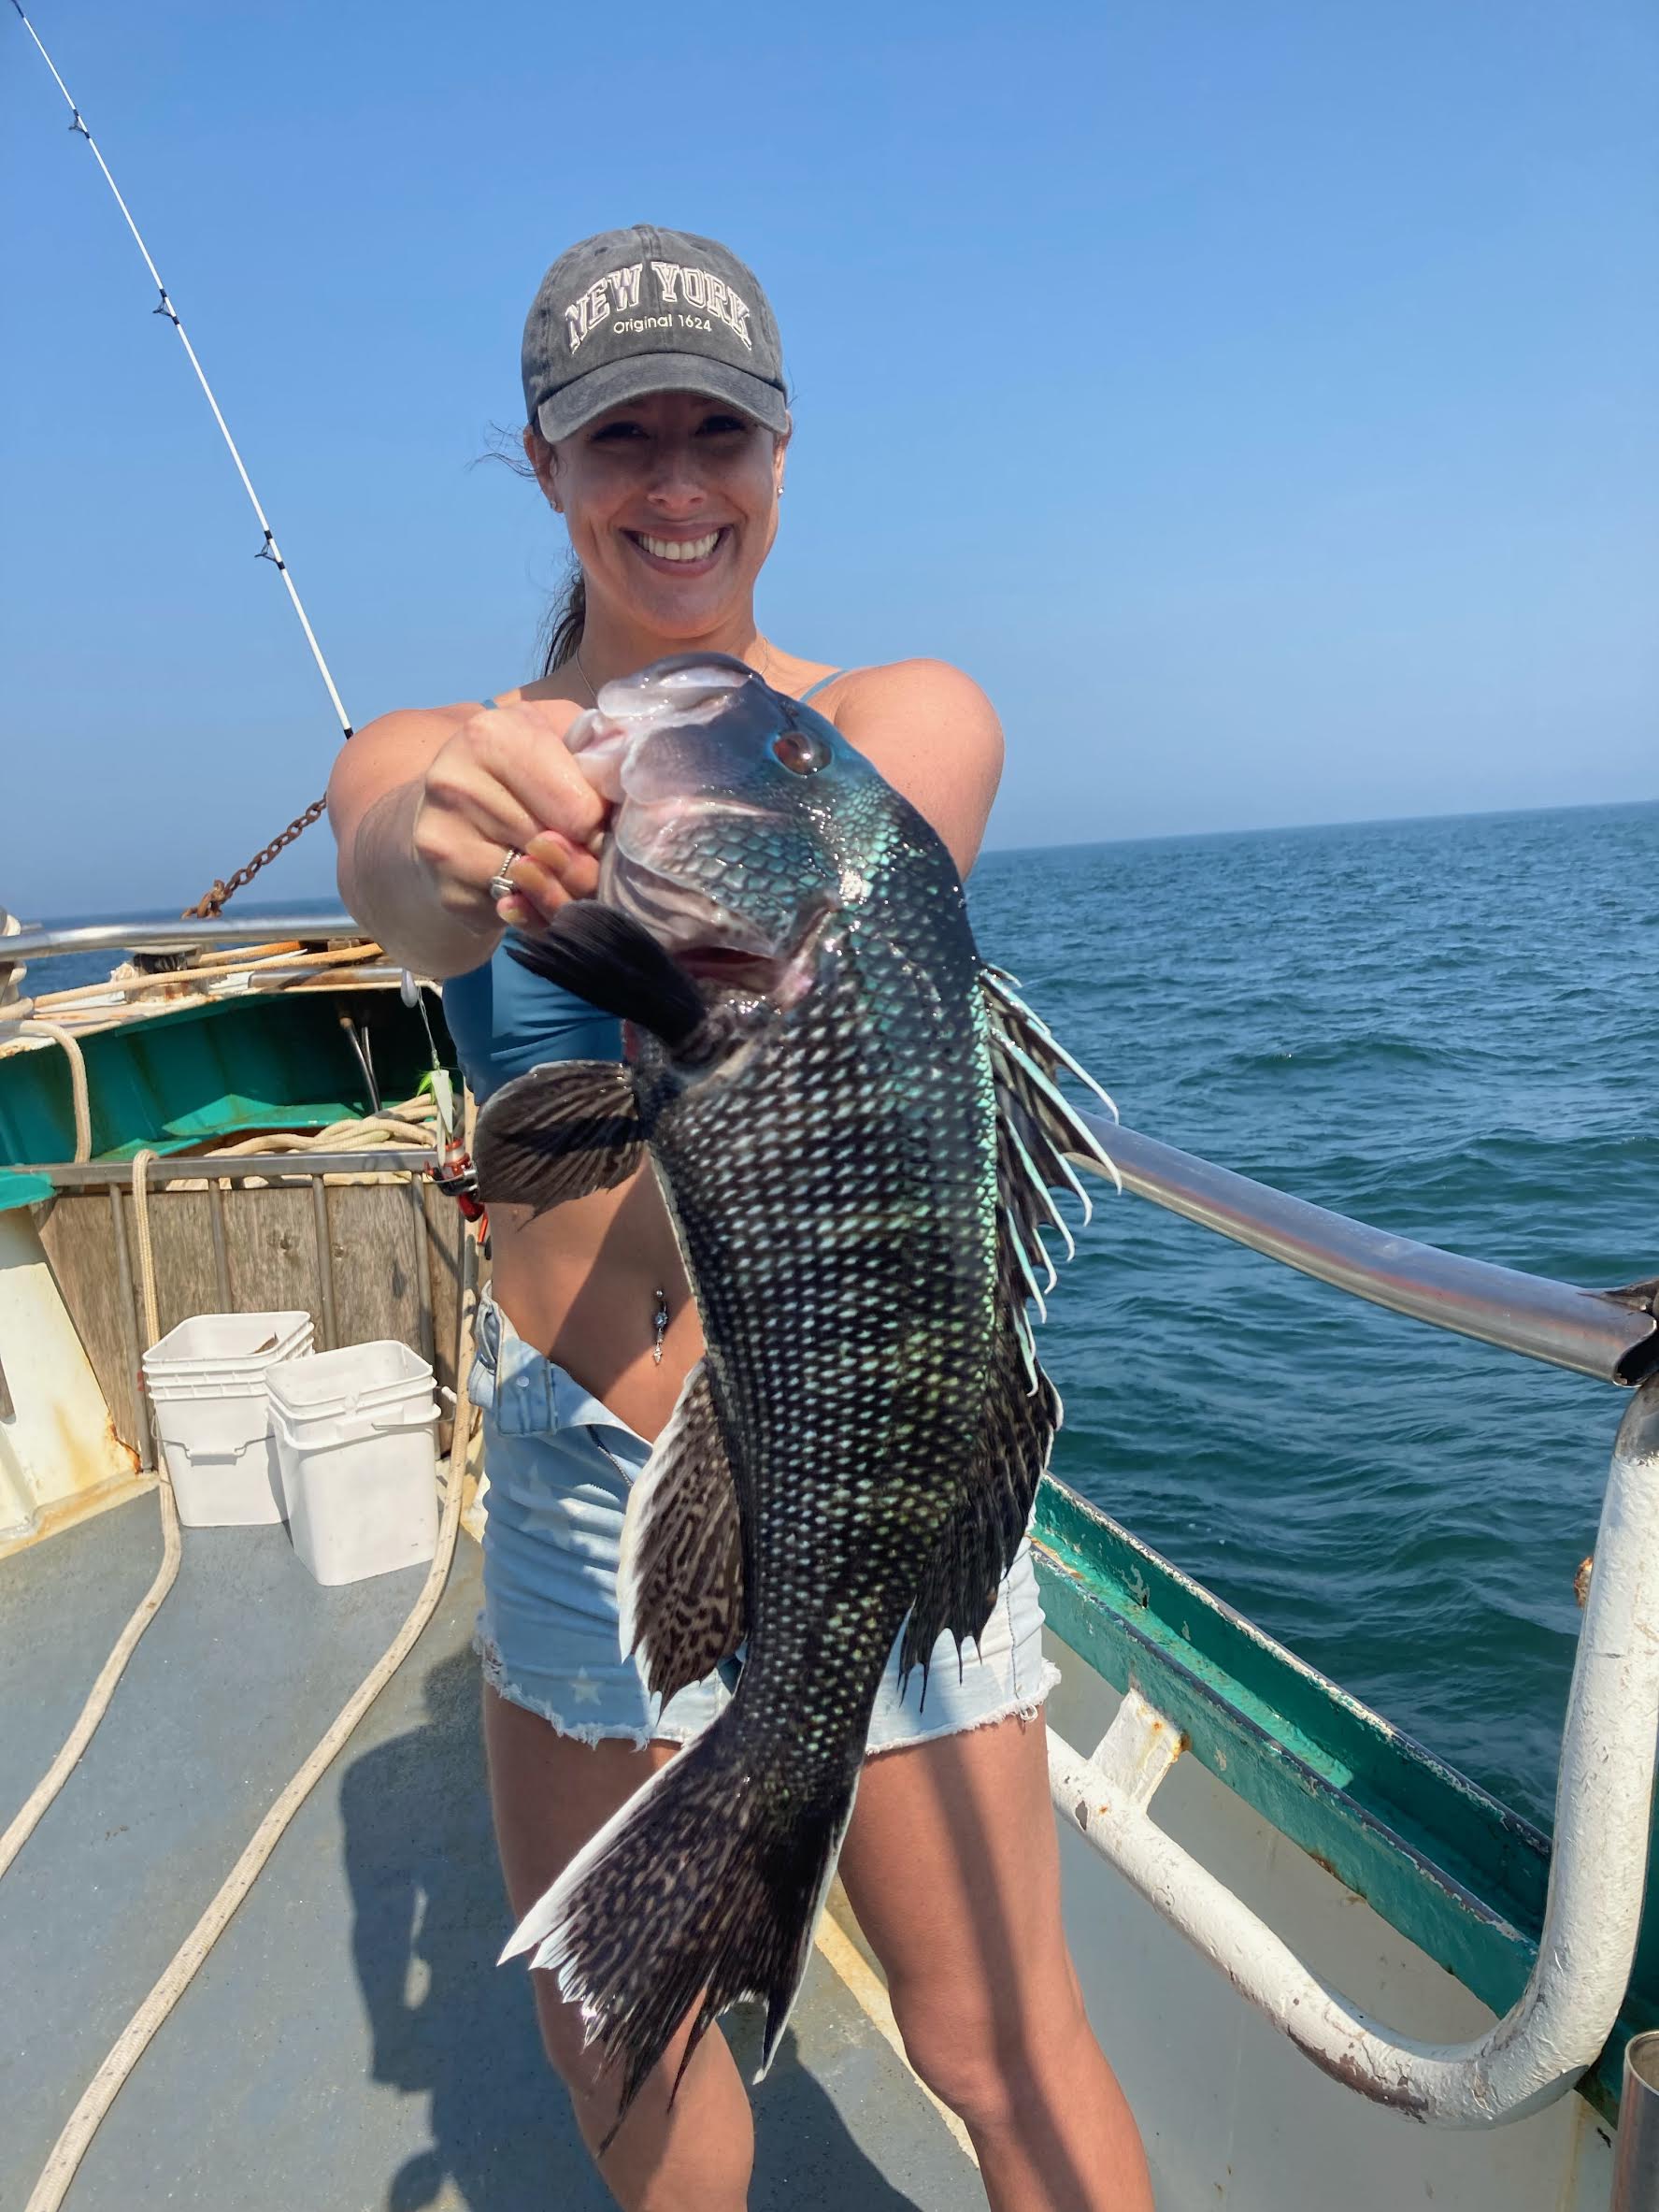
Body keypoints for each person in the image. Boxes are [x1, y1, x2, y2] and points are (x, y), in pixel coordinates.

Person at [329, 224, 1153, 2212]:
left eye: (724, 431)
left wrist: (647, 813)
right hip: (584, 1474)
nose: (678, 483)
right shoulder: (442, 760)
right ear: (544, 463)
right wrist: (472, 822)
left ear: (785, 455)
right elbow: (401, 863)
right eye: (624, 437)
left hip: (885, 1451)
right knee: (624, 2039)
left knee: (999, 2039)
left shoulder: (886, 726)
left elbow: (808, 904)